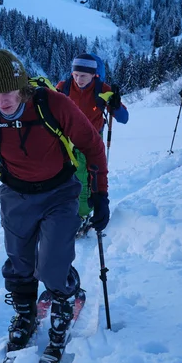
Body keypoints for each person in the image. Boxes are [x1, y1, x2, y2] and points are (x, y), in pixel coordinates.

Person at [0, 50, 109, 352]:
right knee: (19, 261)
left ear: (21, 86)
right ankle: (25, 314)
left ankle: (64, 296)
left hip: (59, 192)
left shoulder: (53, 104)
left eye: (7, 92)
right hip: (16, 195)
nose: (2, 100)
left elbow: (92, 145)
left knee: (51, 263)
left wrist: (100, 195)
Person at [57, 53, 129, 230]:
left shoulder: (102, 90)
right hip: (66, 141)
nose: (79, 79)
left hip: (91, 141)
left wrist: (116, 104)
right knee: (64, 178)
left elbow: (123, 118)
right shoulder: (64, 88)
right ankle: (68, 212)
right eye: (76, 75)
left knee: (85, 178)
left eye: (84, 75)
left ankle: (81, 215)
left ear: (93, 74)